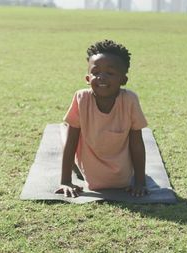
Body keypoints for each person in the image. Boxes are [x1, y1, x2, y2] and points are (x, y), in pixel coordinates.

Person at [55, 39, 148, 198]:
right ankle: (65, 127)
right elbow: (72, 143)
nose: (101, 77)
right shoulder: (81, 98)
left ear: (123, 80)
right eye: (95, 72)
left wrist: (140, 182)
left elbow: (137, 143)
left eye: (110, 73)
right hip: (88, 170)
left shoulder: (129, 100)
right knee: (69, 133)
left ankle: (64, 126)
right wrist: (65, 181)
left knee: (67, 130)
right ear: (87, 78)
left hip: (122, 177)